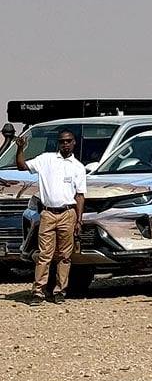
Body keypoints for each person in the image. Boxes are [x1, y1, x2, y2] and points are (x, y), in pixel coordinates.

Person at [15, 130, 86, 305]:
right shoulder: (46, 159)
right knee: (44, 254)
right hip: (47, 213)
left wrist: (79, 220)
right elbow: (22, 166)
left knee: (64, 255)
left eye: (68, 141)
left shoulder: (78, 167)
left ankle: (60, 290)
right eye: (62, 141)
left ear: (74, 142)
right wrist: (20, 148)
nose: (65, 144)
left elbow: (80, 195)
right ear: (58, 143)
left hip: (68, 213)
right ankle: (38, 291)